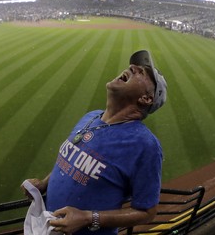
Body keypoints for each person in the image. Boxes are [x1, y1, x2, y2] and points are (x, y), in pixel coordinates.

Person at [23, 50, 167, 235]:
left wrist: (89, 218)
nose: (132, 67)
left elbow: (147, 212)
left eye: (141, 73)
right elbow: (72, 161)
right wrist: (43, 183)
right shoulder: (90, 117)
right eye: (134, 67)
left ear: (146, 99)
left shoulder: (145, 145)